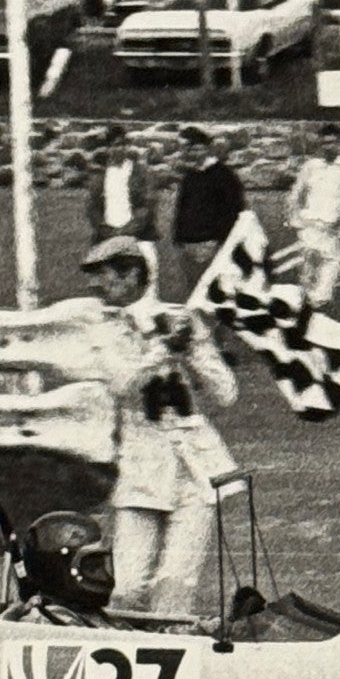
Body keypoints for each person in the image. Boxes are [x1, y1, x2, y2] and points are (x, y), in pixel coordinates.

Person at [81, 233, 239, 618]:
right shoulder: (103, 330)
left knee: (176, 585)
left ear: (132, 275)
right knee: (128, 585)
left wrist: (191, 350)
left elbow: (226, 392)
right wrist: (161, 348)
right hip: (142, 466)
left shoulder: (180, 319)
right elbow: (122, 384)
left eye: (104, 275)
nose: (95, 285)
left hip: (195, 468)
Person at [0, 511, 119, 627]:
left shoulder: (92, 616)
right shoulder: (44, 624)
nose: (104, 576)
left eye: (102, 565)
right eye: (92, 568)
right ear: (56, 572)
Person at [286, 123, 340, 311]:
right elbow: (296, 194)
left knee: (332, 258)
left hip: (331, 223)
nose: (328, 147)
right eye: (324, 143)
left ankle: (318, 298)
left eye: (332, 142)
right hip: (309, 221)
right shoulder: (311, 166)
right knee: (310, 260)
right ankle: (310, 298)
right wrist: (296, 219)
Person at [171, 126, 246, 287]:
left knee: (213, 290)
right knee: (193, 291)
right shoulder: (190, 177)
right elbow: (182, 209)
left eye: (192, 148)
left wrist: (218, 242)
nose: (188, 153)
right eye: (185, 149)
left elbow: (234, 212)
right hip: (188, 246)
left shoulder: (224, 176)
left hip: (211, 245)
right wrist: (179, 239)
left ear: (205, 148)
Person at [86, 123, 158, 282]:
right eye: (113, 146)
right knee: (109, 284)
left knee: (144, 283)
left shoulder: (141, 173)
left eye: (121, 145)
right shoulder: (100, 175)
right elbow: (92, 207)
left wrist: (129, 229)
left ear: (127, 146)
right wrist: (106, 229)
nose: (118, 149)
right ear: (106, 149)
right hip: (107, 236)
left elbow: (148, 204)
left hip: (138, 236)